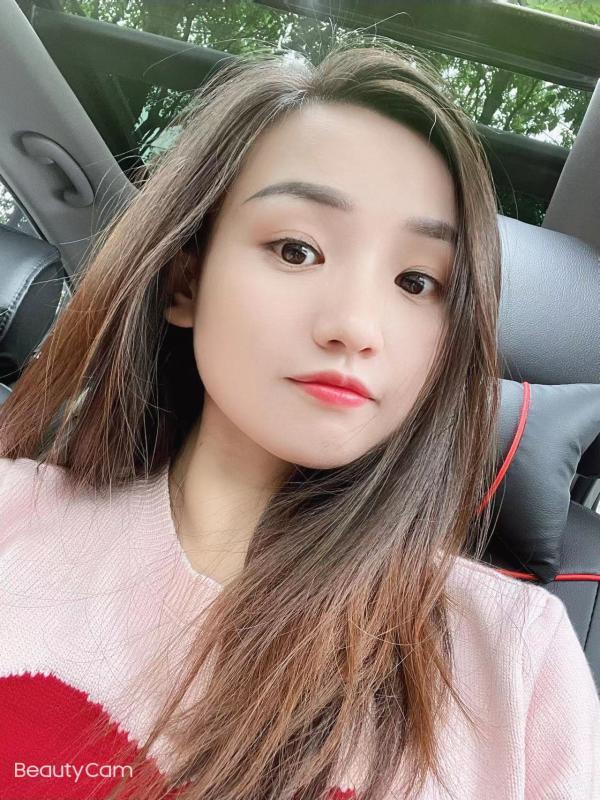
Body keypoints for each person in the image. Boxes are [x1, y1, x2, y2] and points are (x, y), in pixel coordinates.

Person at [0, 34, 598, 800]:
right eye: (295, 250)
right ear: (186, 282)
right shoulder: (13, 517)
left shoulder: (519, 666)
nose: (355, 325)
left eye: (417, 282)